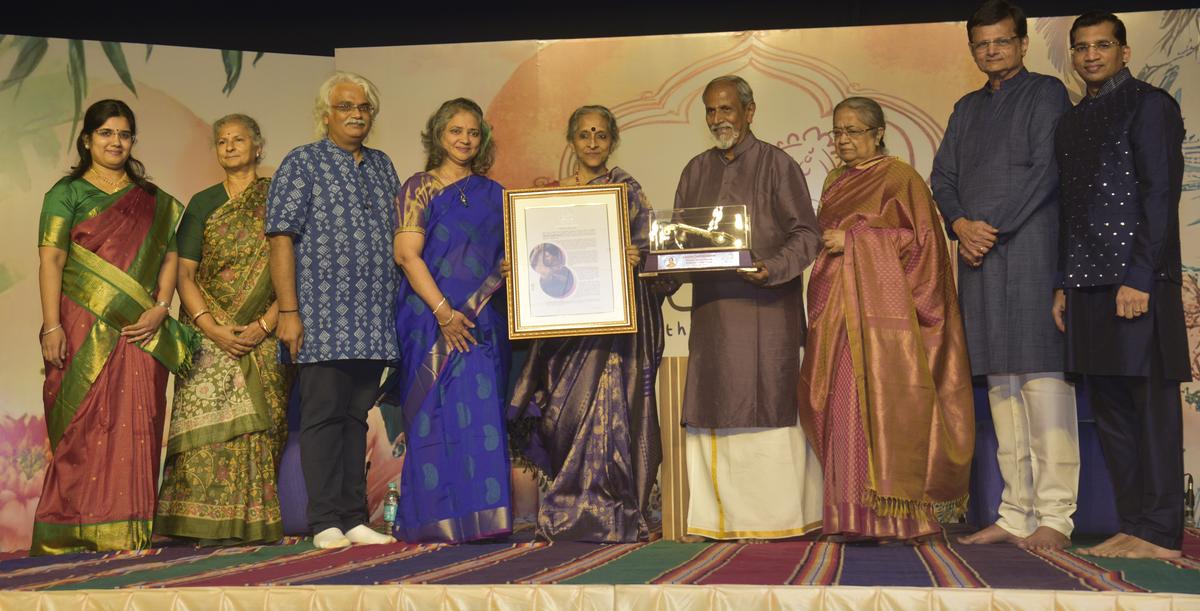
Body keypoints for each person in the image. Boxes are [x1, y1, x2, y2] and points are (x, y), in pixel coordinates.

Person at [930, 0, 1078, 550]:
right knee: (1000, 393)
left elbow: (1048, 171)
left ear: (1022, 43)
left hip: (1033, 253)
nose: (991, 51)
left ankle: (1057, 516)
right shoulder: (966, 108)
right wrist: (961, 224)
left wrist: (989, 227)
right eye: (981, 43)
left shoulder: (1046, 95)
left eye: (1001, 41)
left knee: (1043, 387)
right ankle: (1015, 512)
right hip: (979, 261)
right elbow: (941, 177)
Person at [797, 97, 975, 541]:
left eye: (854, 131)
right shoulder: (836, 179)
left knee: (879, 407)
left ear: (878, 133)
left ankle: (896, 519)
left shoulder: (901, 178)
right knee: (838, 405)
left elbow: (923, 244)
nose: (843, 140)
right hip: (836, 311)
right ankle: (848, 516)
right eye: (837, 131)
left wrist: (855, 241)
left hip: (880, 321)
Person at [1053, 12, 1190, 560]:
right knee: (1109, 408)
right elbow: (1070, 209)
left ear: (1124, 52)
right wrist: (1063, 284)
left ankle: (1159, 533)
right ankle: (1134, 526)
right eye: (1082, 47)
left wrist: (1138, 278)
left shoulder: (1150, 105)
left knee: (1149, 406)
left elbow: (1159, 196)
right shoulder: (1073, 120)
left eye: (1102, 45)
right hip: (1086, 285)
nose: (1091, 55)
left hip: (1136, 281)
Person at [32, 99, 196, 554]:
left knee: (136, 423)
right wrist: (51, 326)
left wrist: (162, 306)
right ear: (87, 140)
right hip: (78, 324)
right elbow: (53, 259)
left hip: (140, 328)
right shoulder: (65, 194)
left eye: (124, 134)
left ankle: (128, 530)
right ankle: (70, 530)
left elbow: (169, 255)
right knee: (79, 425)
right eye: (105, 133)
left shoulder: (153, 201)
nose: (115, 142)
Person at [673, 75, 823, 541]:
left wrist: (772, 267)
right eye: (711, 111)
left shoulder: (778, 165)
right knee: (715, 401)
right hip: (713, 315)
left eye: (727, 110)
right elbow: (679, 242)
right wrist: (656, 268)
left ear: (749, 112)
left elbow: (807, 235)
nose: (719, 120)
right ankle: (718, 523)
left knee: (769, 404)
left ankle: (780, 522)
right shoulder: (695, 170)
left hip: (767, 312)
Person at [507, 105, 665, 542]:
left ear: (611, 140)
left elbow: (657, 257)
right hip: (567, 332)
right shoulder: (552, 198)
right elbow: (541, 257)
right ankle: (565, 510)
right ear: (571, 141)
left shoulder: (628, 191)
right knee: (563, 417)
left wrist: (641, 260)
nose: (593, 142)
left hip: (616, 337)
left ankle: (618, 512)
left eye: (600, 135)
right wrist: (519, 269)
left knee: (616, 417)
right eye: (584, 134)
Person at [265, 72, 399, 549]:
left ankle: (353, 516)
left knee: (355, 420)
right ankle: (323, 519)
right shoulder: (302, 162)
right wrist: (288, 311)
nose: (356, 114)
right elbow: (280, 238)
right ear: (327, 114)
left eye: (364, 107)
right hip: (319, 317)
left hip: (371, 320)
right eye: (345, 107)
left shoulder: (383, 166)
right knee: (321, 417)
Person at [155, 114, 291, 544]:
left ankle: (253, 522)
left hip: (265, 330)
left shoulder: (280, 198)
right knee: (203, 419)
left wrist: (265, 324)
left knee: (260, 424)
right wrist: (210, 328)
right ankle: (194, 520)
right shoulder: (202, 203)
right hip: (206, 327)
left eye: (239, 139)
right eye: (222, 141)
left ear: (258, 145)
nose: (230, 146)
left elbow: (297, 266)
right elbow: (185, 273)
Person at [386, 98, 512, 543]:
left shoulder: (494, 193)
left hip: (481, 321)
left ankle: (483, 523)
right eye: (456, 130)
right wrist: (443, 312)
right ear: (439, 133)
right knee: (433, 419)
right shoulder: (418, 187)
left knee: (481, 417)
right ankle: (433, 520)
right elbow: (406, 254)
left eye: (473, 132)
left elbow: (508, 258)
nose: (465, 139)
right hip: (428, 320)